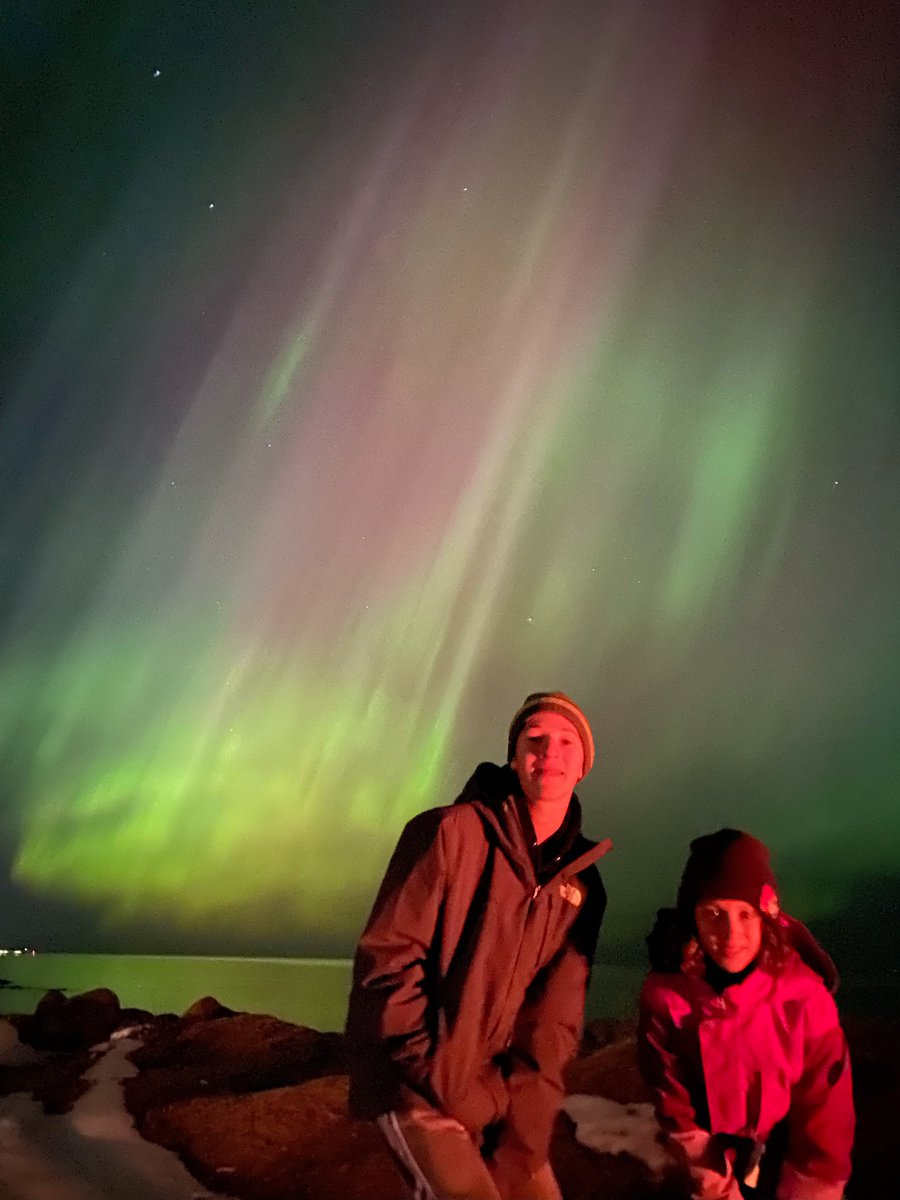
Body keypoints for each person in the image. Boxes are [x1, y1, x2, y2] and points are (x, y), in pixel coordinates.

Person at [345, 691, 612, 1200]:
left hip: (493, 1094)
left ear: (583, 766)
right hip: (413, 1080)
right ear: (514, 756)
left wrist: (524, 1130)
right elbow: (389, 960)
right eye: (534, 739)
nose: (548, 752)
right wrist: (442, 1076)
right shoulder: (448, 832)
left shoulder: (583, 887)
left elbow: (552, 1022)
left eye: (565, 741)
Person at [638, 829, 854, 1200]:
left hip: (783, 1147)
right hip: (712, 1153)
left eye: (745, 914)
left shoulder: (804, 1000)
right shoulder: (666, 999)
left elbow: (825, 1114)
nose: (730, 932)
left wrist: (813, 1186)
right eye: (714, 914)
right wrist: (715, 1186)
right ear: (693, 919)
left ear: (766, 918)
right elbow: (672, 1099)